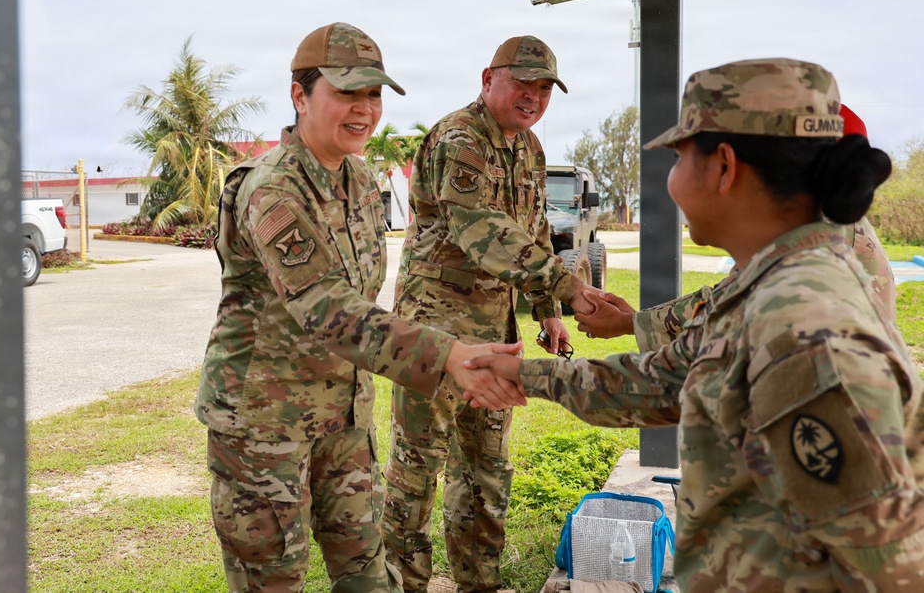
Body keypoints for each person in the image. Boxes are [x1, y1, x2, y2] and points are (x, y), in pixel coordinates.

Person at [465, 58, 924, 591]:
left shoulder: (810, 332)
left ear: (724, 166)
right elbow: (658, 381)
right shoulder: (769, 287)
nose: (672, 182)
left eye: (680, 158)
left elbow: (890, 567)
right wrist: (527, 376)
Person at [194, 22, 526, 593]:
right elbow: (326, 306)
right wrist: (445, 353)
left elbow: (366, 297)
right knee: (273, 582)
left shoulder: (362, 182)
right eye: (347, 92)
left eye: (373, 94)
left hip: (343, 420)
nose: (365, 110)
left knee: (369, 577)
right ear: (300, 96)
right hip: (263, 429)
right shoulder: (271, 188)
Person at [382, 35, 594, 593]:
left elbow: (533, 229)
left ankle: (479, 583)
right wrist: (565, 285)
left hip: (494, 335)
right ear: (488, 79)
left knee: (486, 471)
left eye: (544, 87)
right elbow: (483, 232)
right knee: (417, 472)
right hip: (434, 334)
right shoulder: (459, 138)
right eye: (522, 83)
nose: (533, 97)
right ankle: (404, 584)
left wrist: (547, 311)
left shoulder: (529, 149)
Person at [576, 104, 897, 349]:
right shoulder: (821, 221)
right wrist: (633, 322)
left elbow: (726, 308)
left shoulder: (818, 234)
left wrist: (630, 323)